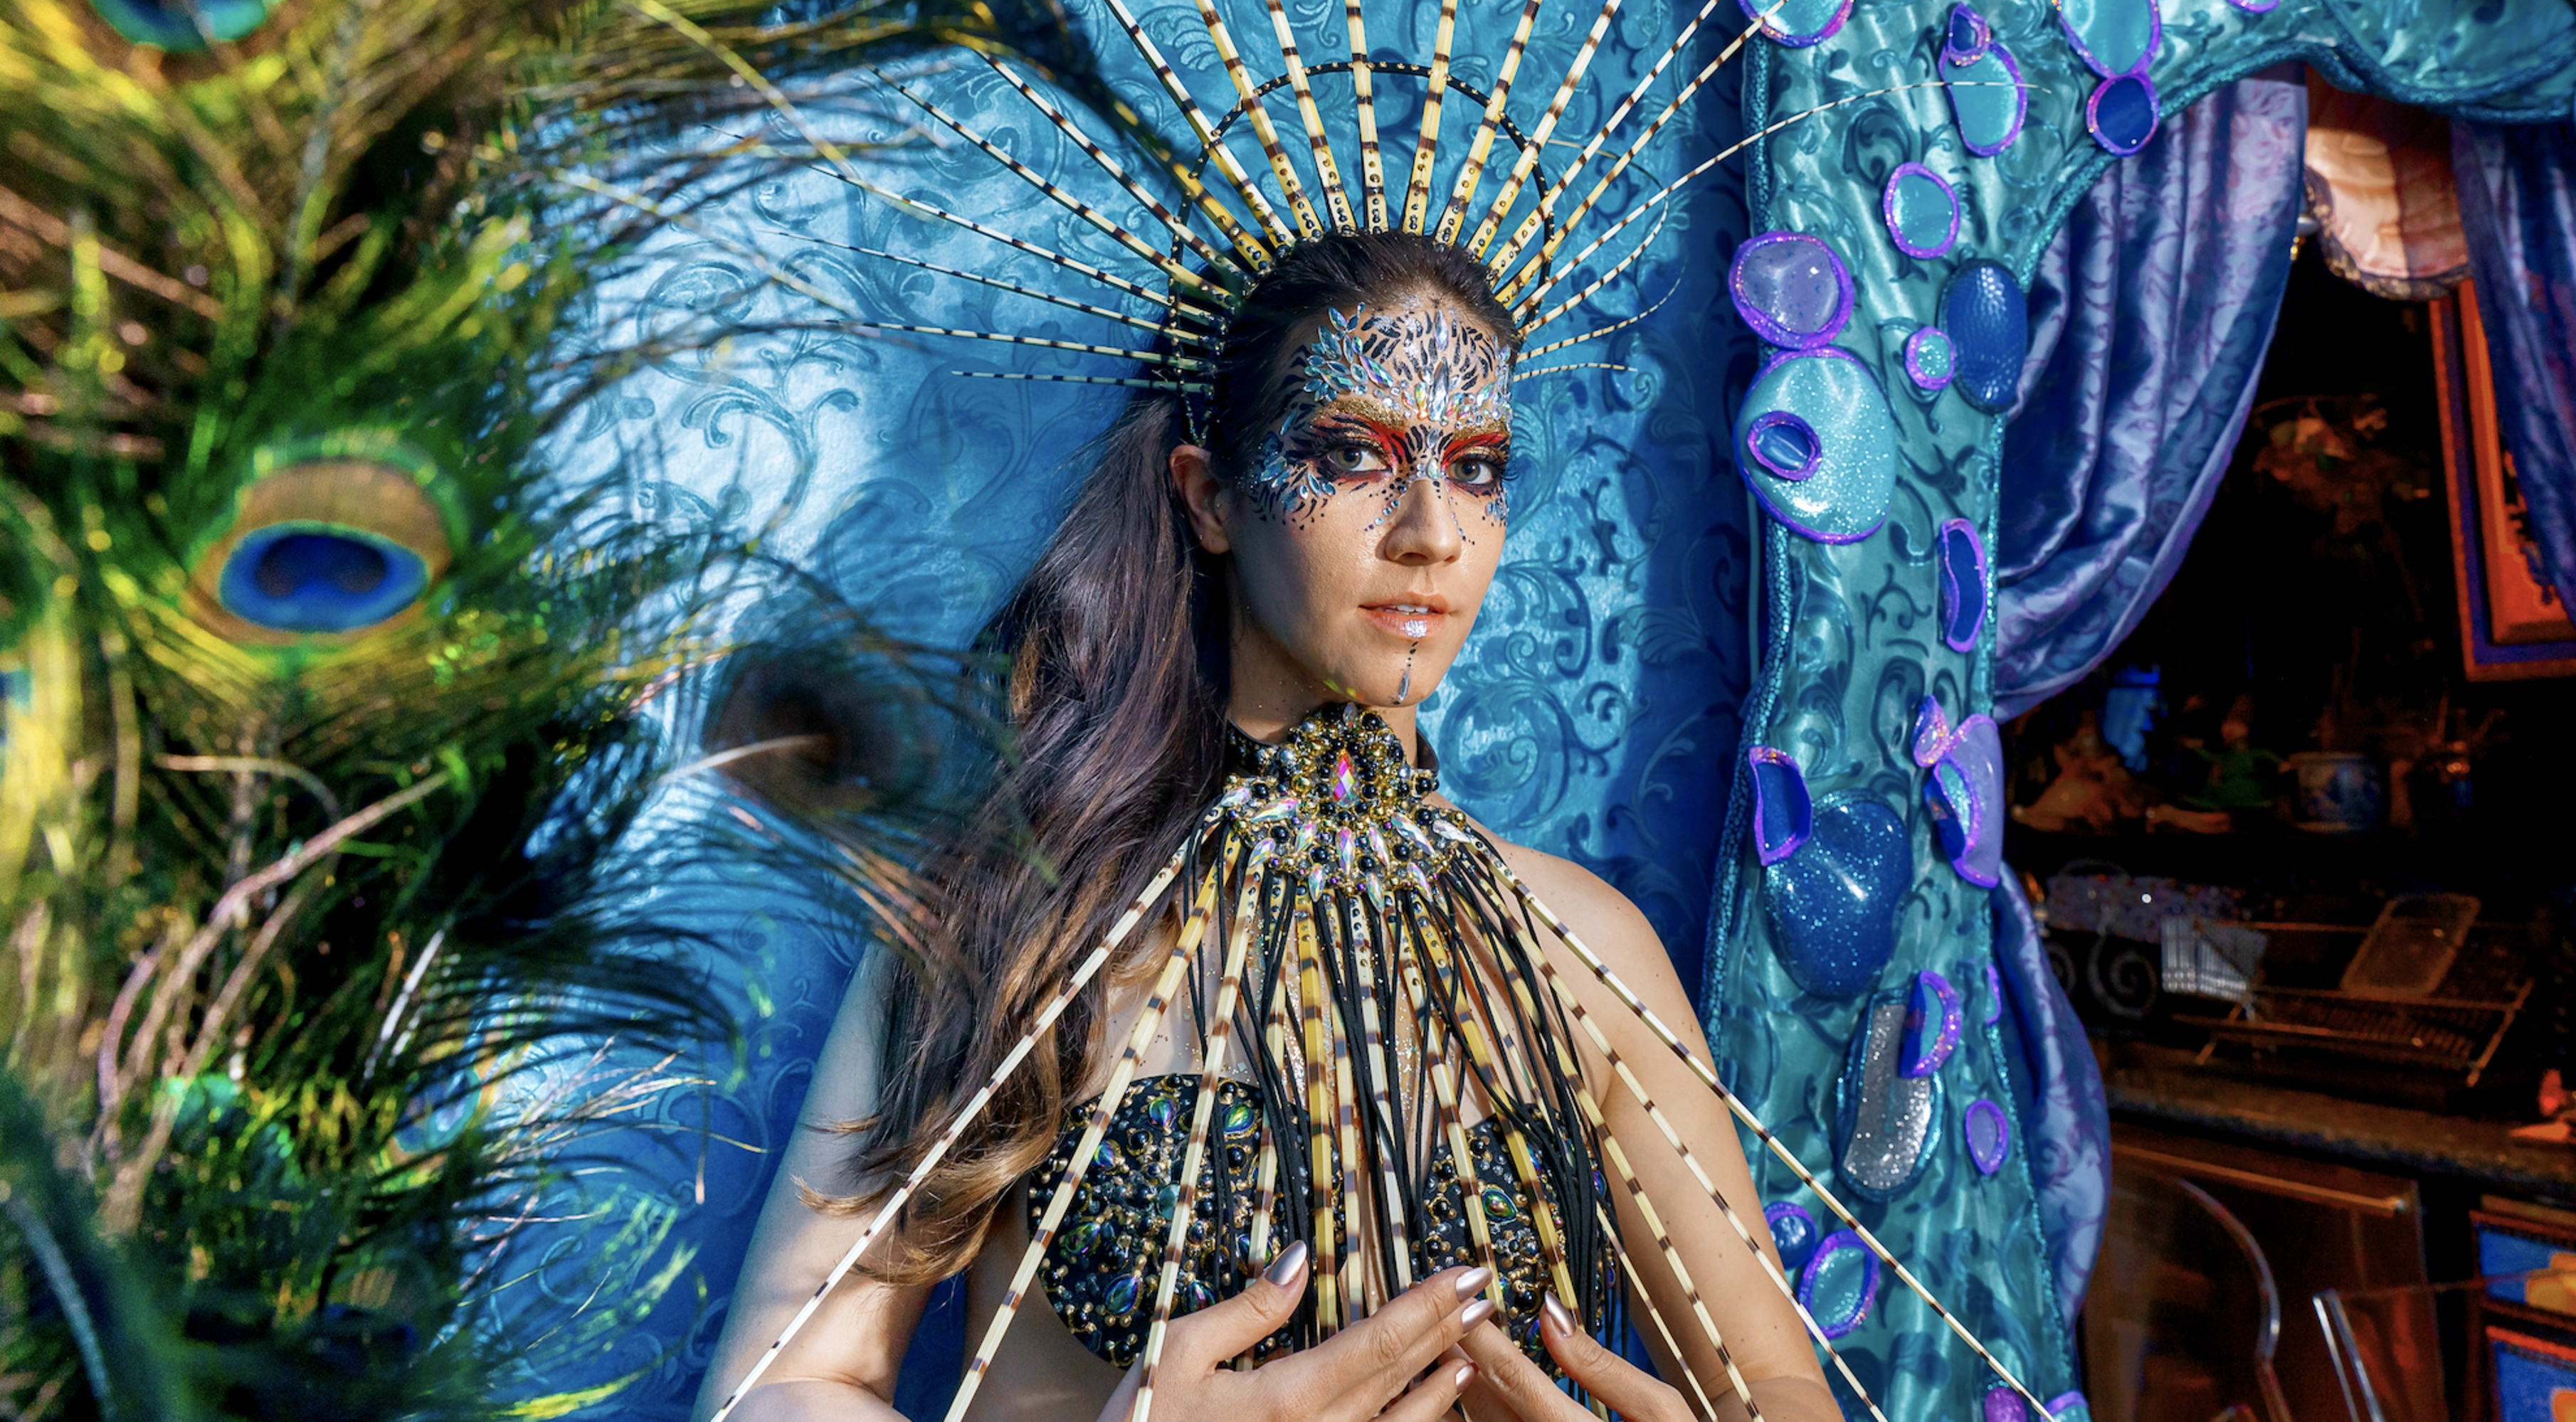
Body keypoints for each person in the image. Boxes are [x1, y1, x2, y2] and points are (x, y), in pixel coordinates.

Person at [696, 232, 1842, 1422]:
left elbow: (1775, 1384)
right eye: (1353, 453)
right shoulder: (1026, 913)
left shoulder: (1584, 950)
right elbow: (777, 1390)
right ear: (1210, 497)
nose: (1431, 532)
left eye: (1479, 466)